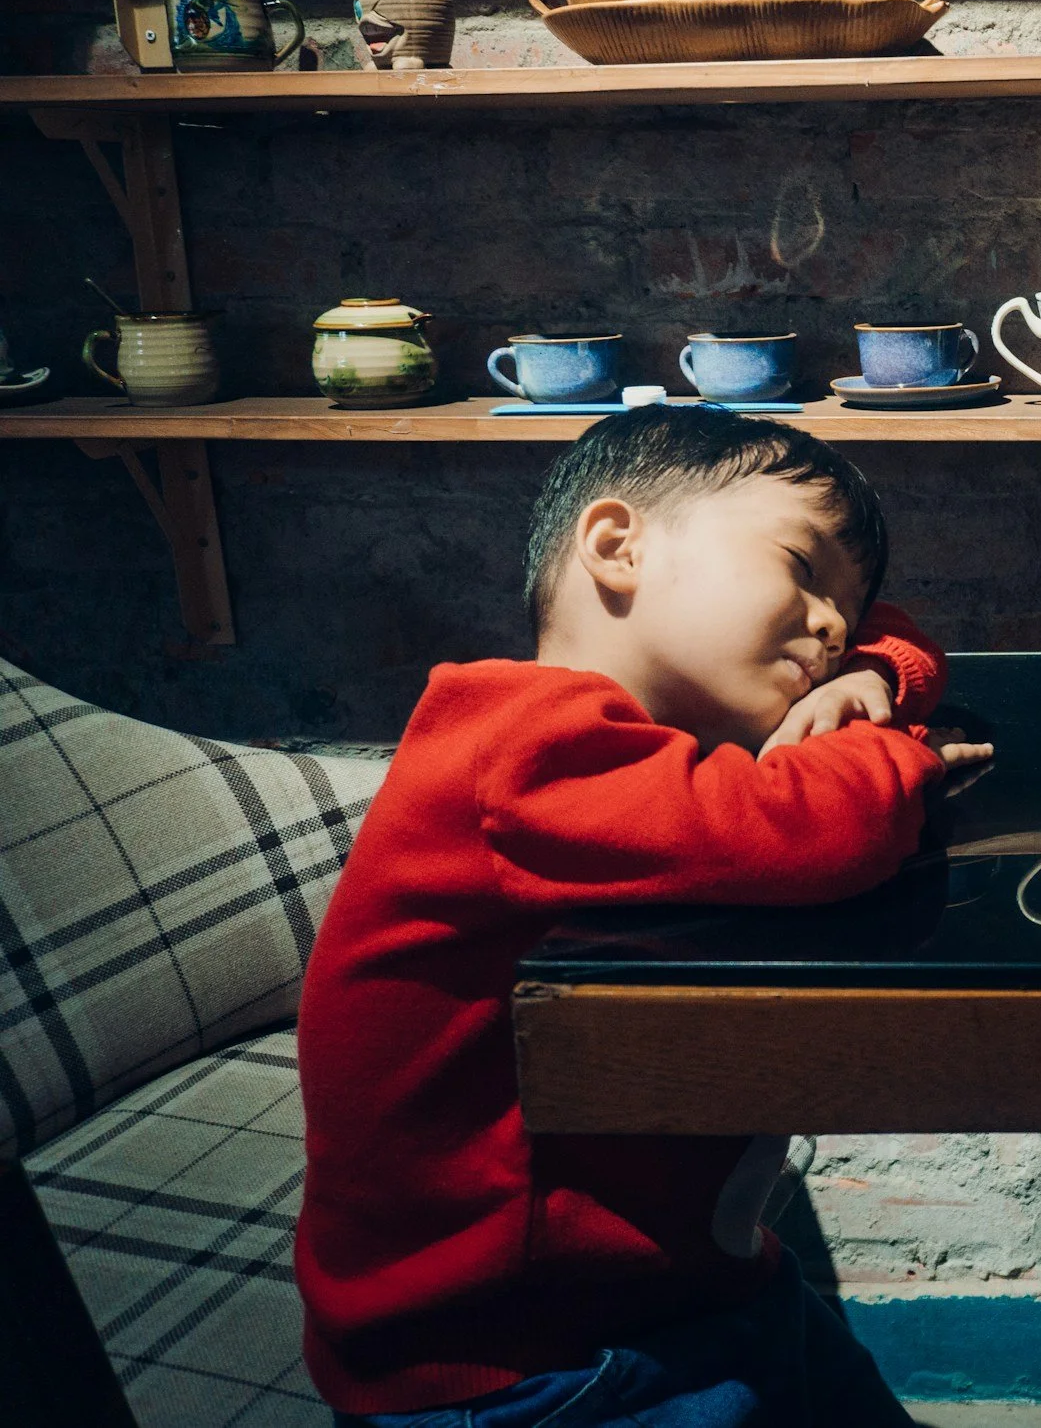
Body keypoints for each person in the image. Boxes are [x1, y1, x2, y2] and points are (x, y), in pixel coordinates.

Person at [295, 406, 992, 1428]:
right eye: (802, 567)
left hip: (684, 1295)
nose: (836, 623)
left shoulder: (648, 751)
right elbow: (808, 830)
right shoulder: (516, 739)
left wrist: (870, 678)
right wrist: (899, 753)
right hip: (519, 1364)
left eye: (846, 607)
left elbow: (905, 637)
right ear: (617, 545)